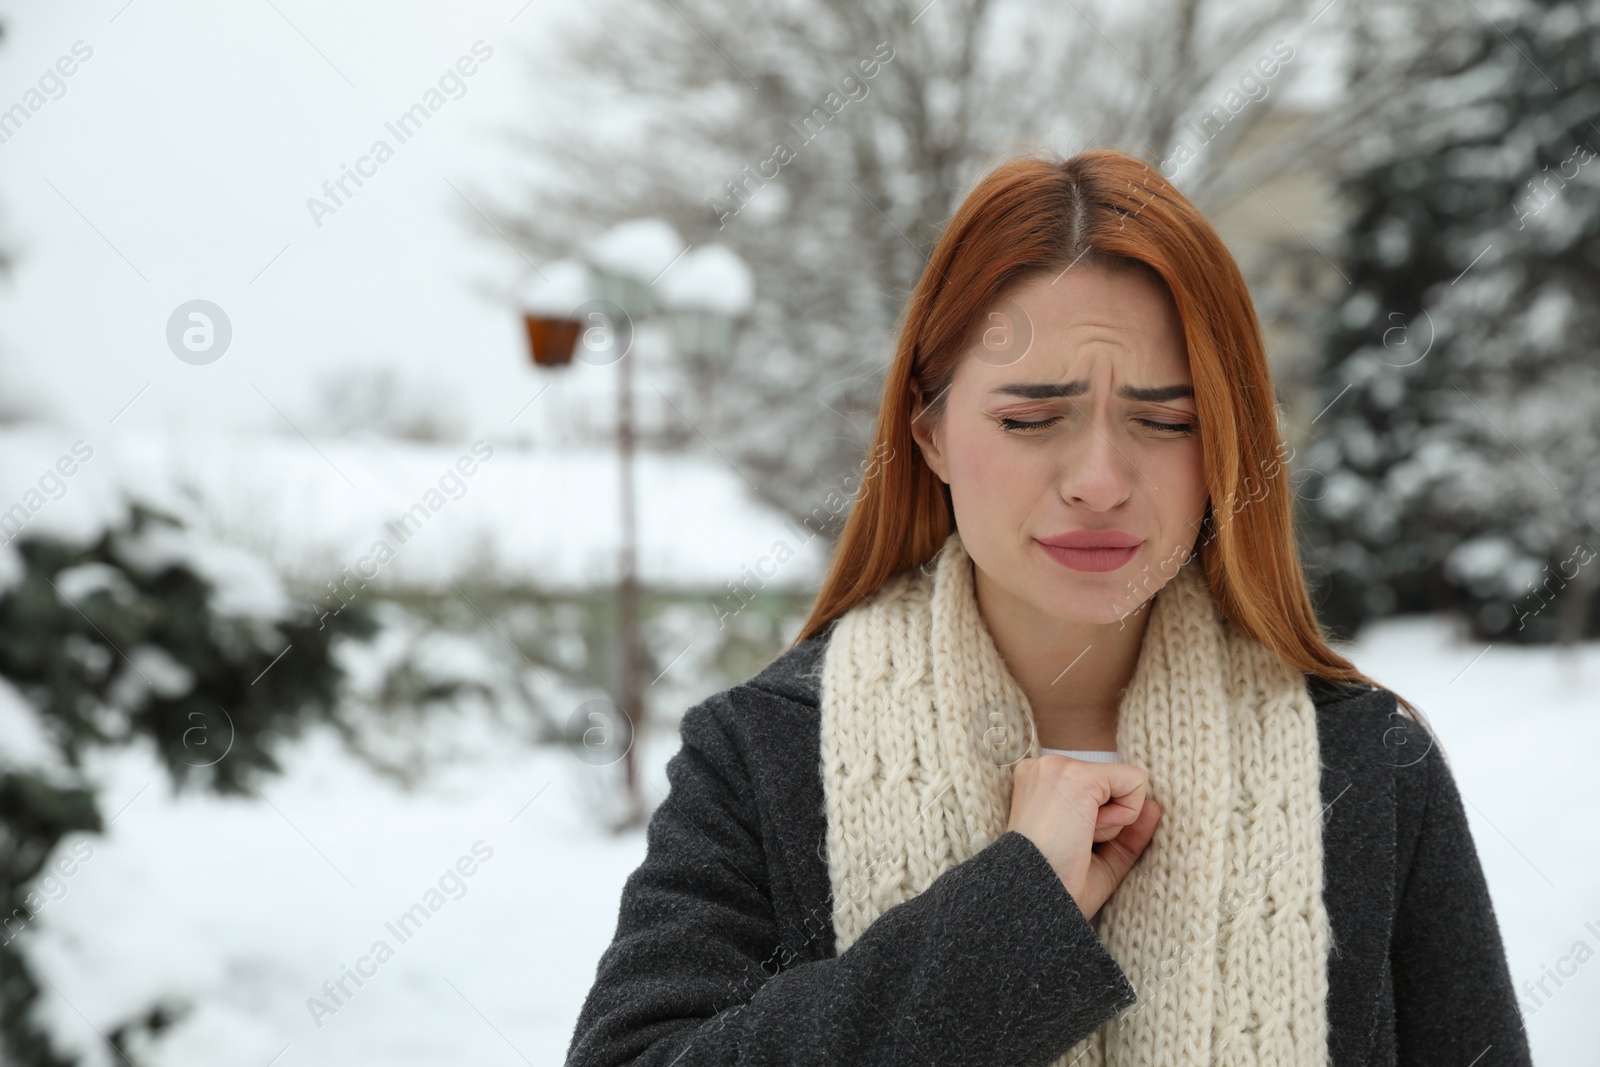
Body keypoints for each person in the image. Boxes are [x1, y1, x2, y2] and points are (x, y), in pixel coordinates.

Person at [563, 150, 1532, 1066]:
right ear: (931, 433)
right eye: (1030, 418)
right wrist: (1005, 916)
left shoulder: (1368, 768)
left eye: (1166, 419)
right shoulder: (765, 755)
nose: (1101, 480)